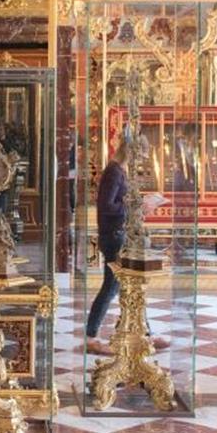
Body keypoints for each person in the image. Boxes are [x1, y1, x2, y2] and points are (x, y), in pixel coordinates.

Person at [85, 138, 167, 355]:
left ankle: (146, 334)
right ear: (131, 152)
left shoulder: (119, 171)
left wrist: (140, 204)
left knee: (131, 286)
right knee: (112, 287)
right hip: (114, 237)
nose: (140, 160)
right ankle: (91, 337)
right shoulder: (113, 172)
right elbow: (107, 206)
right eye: (139, 155)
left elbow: (120, 202)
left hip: (120, 235)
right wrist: (138, 207)